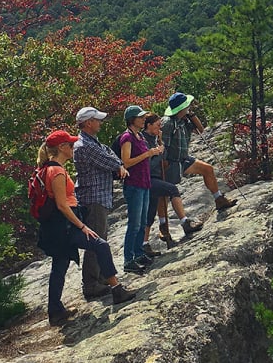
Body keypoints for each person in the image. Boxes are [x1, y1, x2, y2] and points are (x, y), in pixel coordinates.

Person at [36, 130, 136, 326]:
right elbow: (62, 205)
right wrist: (82, 227)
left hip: (56, 227)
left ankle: (55, 311)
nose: (74, 149)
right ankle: (117, 290)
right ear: (62, 148)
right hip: (64, 226)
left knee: (59, 267)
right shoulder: (56, 171)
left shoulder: (49, 168)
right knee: (100, 245)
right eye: (71, 146)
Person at [72, 106, 129, 299]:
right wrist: (118, 165)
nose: (100, 123)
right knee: (96, 242)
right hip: (93, 198)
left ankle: (101, 277)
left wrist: (119, 163)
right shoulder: (85, 146)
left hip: (99, 196)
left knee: (100, 238)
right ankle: (91, 284)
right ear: (88, 123)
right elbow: (109, 161)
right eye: (97, 120)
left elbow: (111, 154)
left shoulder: (92, 142)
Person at [161, 92, 237, 212]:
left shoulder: (184, 120)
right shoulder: (168, 123)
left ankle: (219, 199)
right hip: (171, 161)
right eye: (187, 105)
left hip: (183, 158)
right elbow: (163, 144)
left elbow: (200, 130)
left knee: (208, 169)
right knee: (165, 192)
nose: (189, 106)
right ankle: (162, 223)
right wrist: (164, 161)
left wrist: (191, 115)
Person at [137, 113, 204, 247]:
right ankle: (184, 222)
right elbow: (148, 165)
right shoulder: (143, 141)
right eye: (157, 125)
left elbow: (163, 155)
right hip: (147, 178)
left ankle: (144, 244)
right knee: (172, 190)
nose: (160, 128)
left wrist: (161, 147)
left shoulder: (155, 138)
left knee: (150, 212)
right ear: (149, 125)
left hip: (155, 177)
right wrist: (159, 153)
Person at [115, 105, 161, 273]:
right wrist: (147, 154)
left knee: (142, 222)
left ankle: (139, 254)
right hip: (134, 184)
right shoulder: (127, 137)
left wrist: (152, 152)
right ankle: (128, 260)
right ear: (132, 120)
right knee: (134, 223)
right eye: (140, 117)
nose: (143, 119)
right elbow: (125, 162)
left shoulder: (140, 136)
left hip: (144, 183)